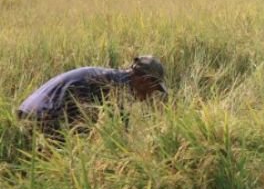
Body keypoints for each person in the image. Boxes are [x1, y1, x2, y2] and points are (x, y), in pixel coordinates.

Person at [17, 55, 168, 137]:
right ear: (143, 81)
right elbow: (81, 129)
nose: (149, 97)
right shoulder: (111, 86)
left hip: (29, 111)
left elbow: (121, 129)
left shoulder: (115, 82)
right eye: (152, 90)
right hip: (38, 116)